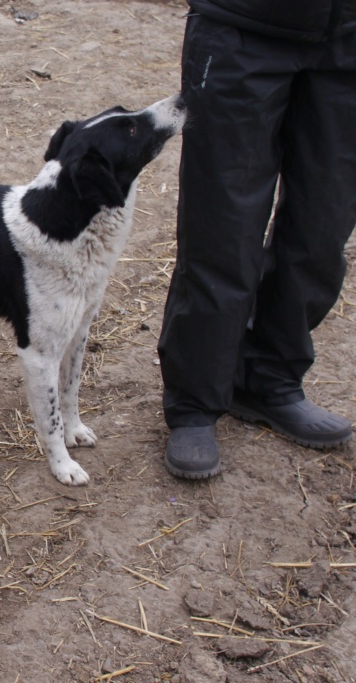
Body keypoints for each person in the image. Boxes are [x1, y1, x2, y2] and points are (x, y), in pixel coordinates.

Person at [159, 0, 356, 479]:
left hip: (347, 38)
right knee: (221, 228)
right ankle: (196, 402)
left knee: (322, 228)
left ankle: (270, 380)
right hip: (242, 29)